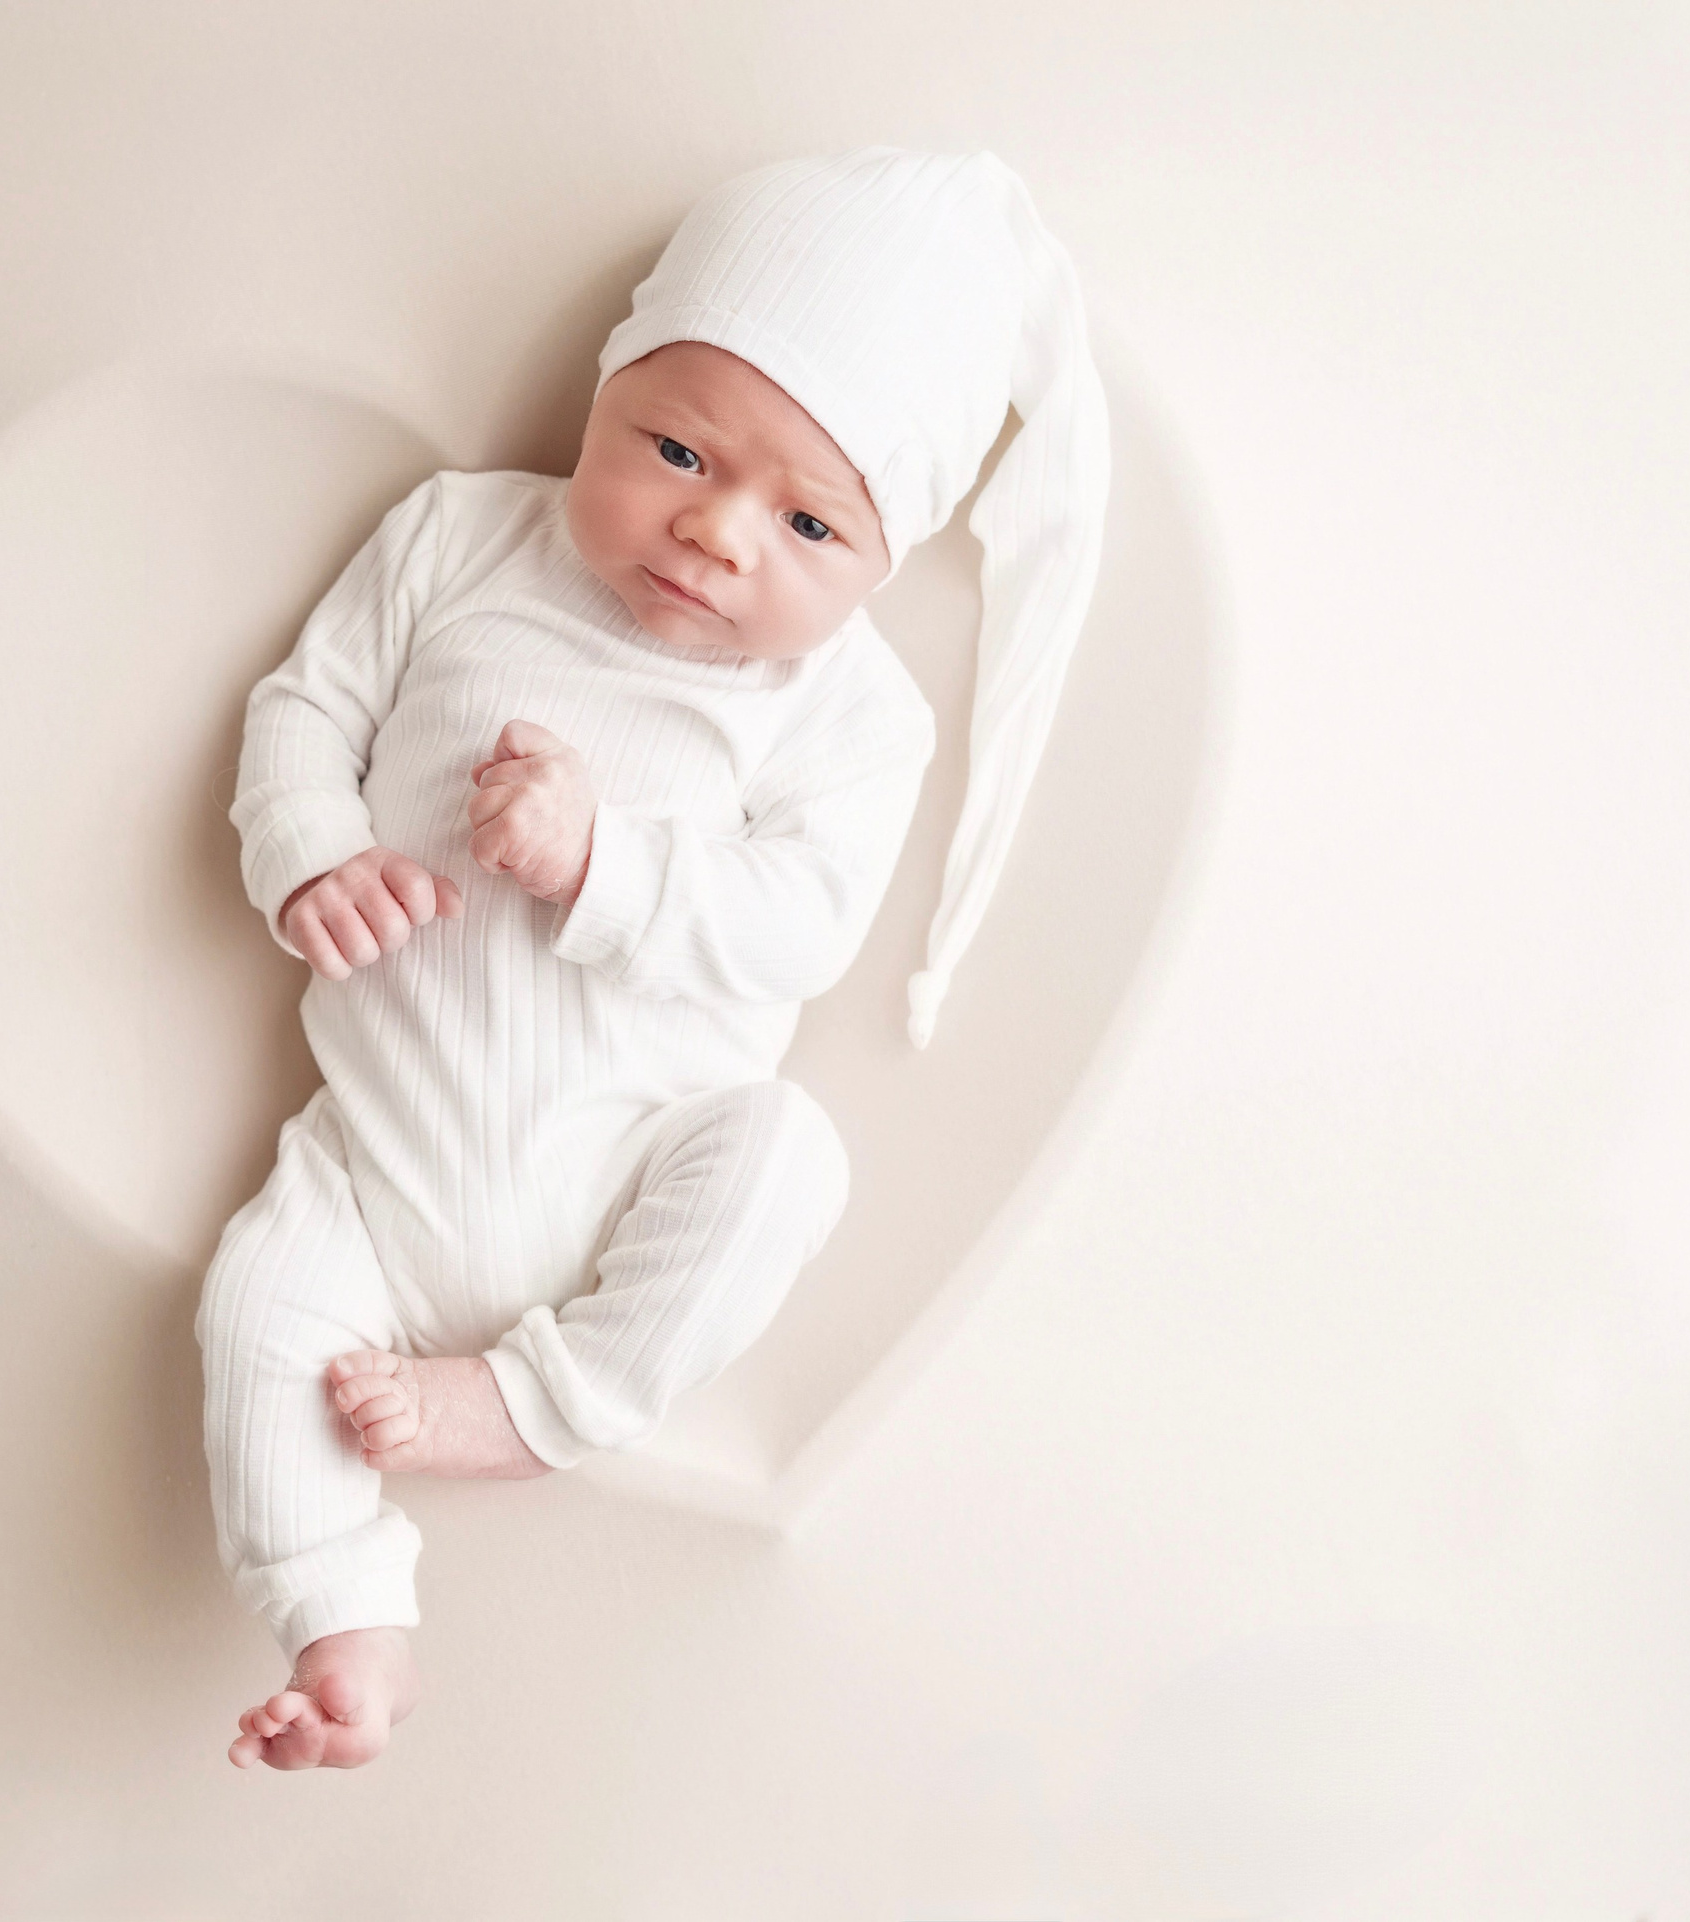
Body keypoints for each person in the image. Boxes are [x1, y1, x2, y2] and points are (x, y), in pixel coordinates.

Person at [202, 146, 1111, 1770]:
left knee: (784, 1165)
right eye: (678, 445)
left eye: (812, 520)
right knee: (262, 1303)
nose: (716, 527)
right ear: (610, 385)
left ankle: (543, 1403)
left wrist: (603, 859)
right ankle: (346, 1627)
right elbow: (305, 711)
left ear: (879, 560)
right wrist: (310, 858)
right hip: (377, 1165)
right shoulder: (457, 541)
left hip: (634, 1161)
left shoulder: (850, 714)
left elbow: (803, 923)